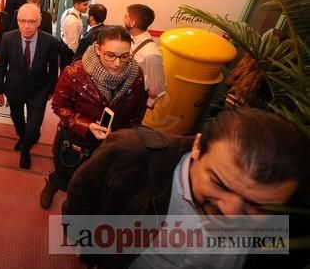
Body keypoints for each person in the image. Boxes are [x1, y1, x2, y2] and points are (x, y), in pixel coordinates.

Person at [63, 108, 309, 269]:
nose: (231, 212)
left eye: (257, 206)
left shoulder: (296, 221)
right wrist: (90, 252)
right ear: (198, 147)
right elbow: (81, 196)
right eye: (219, 184)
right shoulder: (132, 155)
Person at [40, 25, 147, 209]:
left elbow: (137, 112)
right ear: (98, 49)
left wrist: (126, 139)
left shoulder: (136, 75)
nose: (117, 63)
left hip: (113, 142)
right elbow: (59, 105)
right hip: (77, 140)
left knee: (95, 184)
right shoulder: (74, 73)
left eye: (124, 56)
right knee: (66, 175)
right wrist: (86, 125)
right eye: (110, 55)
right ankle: (52, 185)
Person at [0, 4, 59, 169]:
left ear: (39, 21)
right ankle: (22, 138)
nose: (26, 26)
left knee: (33, 129)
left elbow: (53, 68)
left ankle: (25, 149)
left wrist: (51, 90)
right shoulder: (8, 38)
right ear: (17, 20)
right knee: (17, 119)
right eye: (22, 21)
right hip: (14, 88)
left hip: (38, 90)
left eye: (31, 21)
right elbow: (1, 65)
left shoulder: (50, 41)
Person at [124, 3, 166, 107]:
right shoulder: (127, 38)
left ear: (133, 22)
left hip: (132, 104)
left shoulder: (151, 54)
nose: (123, 19)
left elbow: (156, 90)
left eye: (126, 17)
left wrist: (139, 106)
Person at [59, 0, 91, 70]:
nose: (87, 7)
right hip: (68, 50)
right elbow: (72, 44)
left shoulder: (68, 11)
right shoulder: (73, 21)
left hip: (65, 44)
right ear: (76, 5)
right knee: (68, 72)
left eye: (88, 4)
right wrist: (77, 56)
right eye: (85, 4)